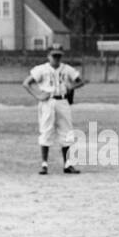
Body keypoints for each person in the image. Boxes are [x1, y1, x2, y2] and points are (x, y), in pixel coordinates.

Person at [23, 46, 87, 174]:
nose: (57, 58)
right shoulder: (41, 69)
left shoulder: (67, 69)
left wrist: (71, 86)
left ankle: (68, 165)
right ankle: (44, 165)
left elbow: (81, 81)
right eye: (54, 55)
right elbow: (26, 83)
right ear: (48, 56)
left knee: (67, 132)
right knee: (46, 131)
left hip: (62, 101)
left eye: (59, 56)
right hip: (48, 102)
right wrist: (38, 95)